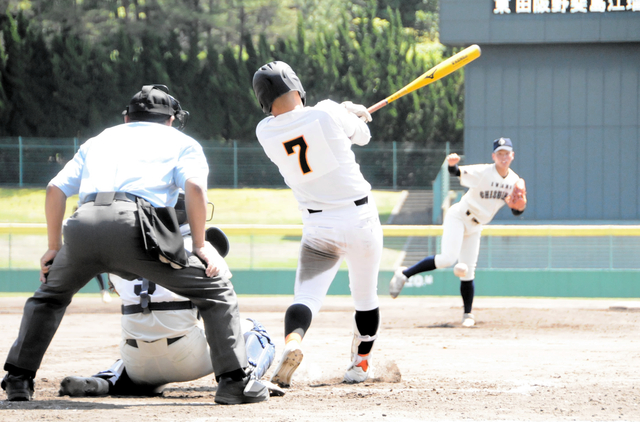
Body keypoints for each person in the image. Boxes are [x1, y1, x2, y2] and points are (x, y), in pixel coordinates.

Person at [1, 85, 268, 404]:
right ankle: (234, 384)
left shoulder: (98, 140)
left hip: (82, 223)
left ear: (127, 117)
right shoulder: (181, 141)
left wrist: (53, 246)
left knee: (49, 297)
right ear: (170, 120)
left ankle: (18, 380)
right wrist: (200, 244)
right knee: (216, 290)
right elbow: (195, 188)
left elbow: (55, 189)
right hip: (135, 226)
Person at [58, 196, 282, 398]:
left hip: (137, 362)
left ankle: (105, 380)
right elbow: (222, 312)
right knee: (256, 330)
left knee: (140, 350)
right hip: (187, 359)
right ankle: (246, 378)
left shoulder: (120, 252)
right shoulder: (204, 250)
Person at [251, 61, 383, 387]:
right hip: (361, 220)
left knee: (306, 298)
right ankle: (359, 366)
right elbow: (363, 136)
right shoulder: (326, 111)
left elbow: (310, 123)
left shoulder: (265, 131)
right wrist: (350, 115)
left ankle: (293, 342)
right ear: (297, 86)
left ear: (264, 101)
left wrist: (342, 113)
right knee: (365, 299)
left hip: (318, 226)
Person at [390, 137, 527, 327]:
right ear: (493, 156)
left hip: (476, 225)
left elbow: (516, 209)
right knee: (448, 259)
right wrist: (452, 165)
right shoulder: (484, 171)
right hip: (460, 216)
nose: (503, 157)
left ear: (512, 155)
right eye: (500, 153)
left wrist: (519, 207)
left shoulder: (513, 180)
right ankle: (404, 274)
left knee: (468, 269)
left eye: (506, 153)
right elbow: (457, 172)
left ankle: (467, 314)